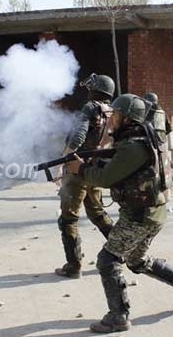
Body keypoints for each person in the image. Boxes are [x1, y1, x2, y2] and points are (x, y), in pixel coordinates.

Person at [67, 93, 173, 333]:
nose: (111, 119)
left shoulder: (133, 145)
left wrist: (82, 169)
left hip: (140, 215)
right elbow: (118, 167)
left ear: (127, 118)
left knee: (108, 260)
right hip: (152, 213)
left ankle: (118, 316)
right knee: (136, 260)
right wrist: (93, 161)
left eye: (116, 115)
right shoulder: (141, 138)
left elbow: (106, 178)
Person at [54, 73, 116, 279]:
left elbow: (78, 137)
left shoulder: (91, 108)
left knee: (68, 219)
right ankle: (120, 251)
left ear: (95, 90)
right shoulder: (113, 111)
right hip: (96, 171)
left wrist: (61, 163)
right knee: (98, 213)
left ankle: (73, 266)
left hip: (77, 170)